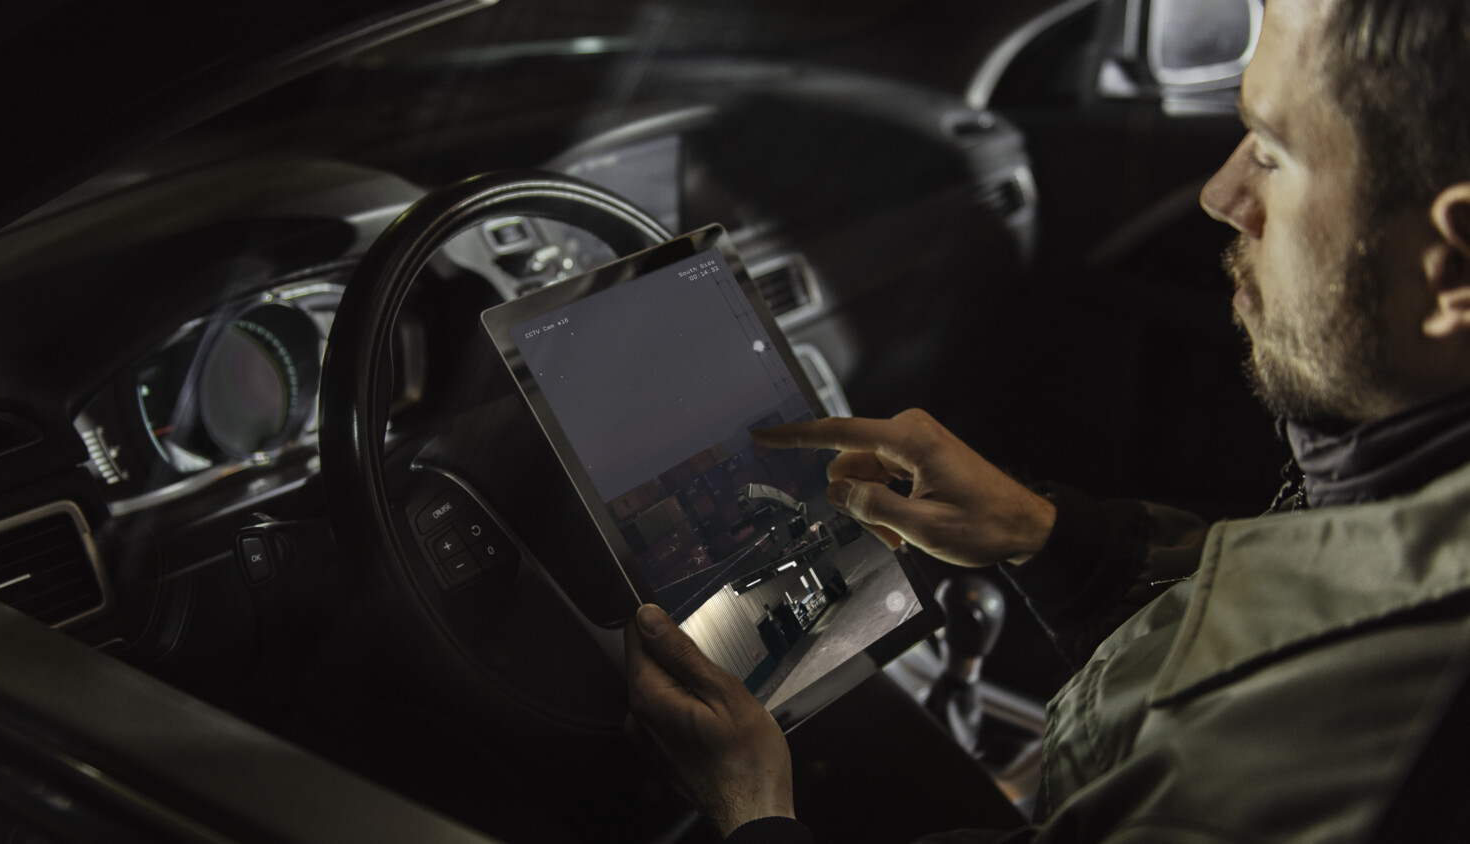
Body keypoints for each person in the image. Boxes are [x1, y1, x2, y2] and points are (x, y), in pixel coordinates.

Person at [624, 0, 1470, 840]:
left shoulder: (1295, 769)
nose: (1221, 195)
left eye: (1273, 154)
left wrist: (751, 807)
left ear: (1454, 269)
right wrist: (1059, 545)